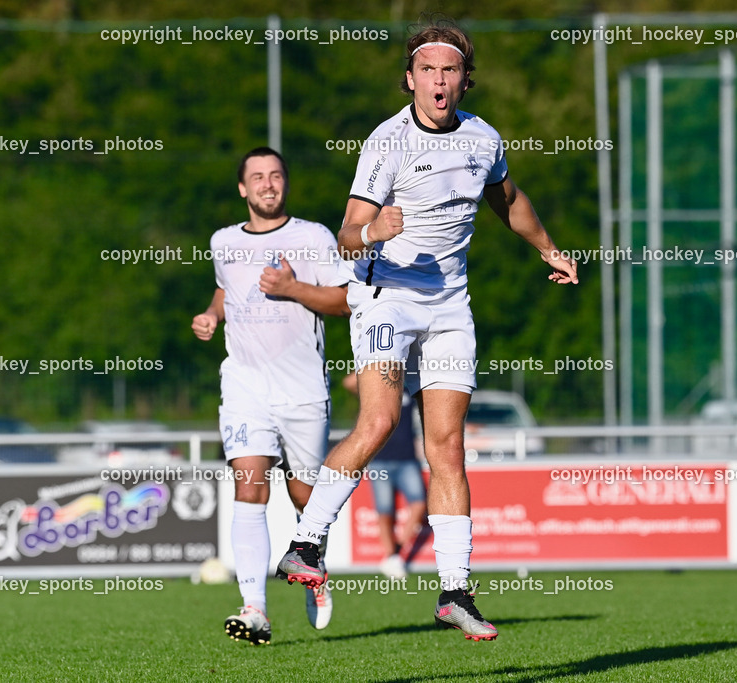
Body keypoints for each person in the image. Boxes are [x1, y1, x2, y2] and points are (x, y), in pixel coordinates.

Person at [277, 21, 578, 641]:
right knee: (380, 421)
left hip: (449, 307)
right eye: (429, 71)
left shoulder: (482, 138)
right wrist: (372, 234)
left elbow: (509, 199)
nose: (440, 82)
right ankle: (305, 545)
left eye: (451, 71)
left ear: (465, 80)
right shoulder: (386, 142)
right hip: (385, 298)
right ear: (410, 79)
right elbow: (345, 234)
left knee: (448, 446)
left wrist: (547, 248)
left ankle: (455, 592)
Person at [192, 147, 350, 645]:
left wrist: (293, 288)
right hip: (244, 384)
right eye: (257, 177)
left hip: (302, 387)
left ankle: (312, 567)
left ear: (285, 184)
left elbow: (345, 300)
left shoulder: (312, 237)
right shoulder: (222, 241)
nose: (267, 184)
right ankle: (254, 607)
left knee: (304, 494)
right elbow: (226, 288)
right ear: (242, 189)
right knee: (249, 484)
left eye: (276, 176)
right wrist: (213, 314)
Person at [342, 372, 427, 579]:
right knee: (385, 512)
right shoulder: (375, 390)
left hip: (407, 459)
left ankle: (396, 553)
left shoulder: (409, 388)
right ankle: (392, 557)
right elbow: (349, 382)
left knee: (419, 504)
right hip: (379, 458)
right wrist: (381, 366)